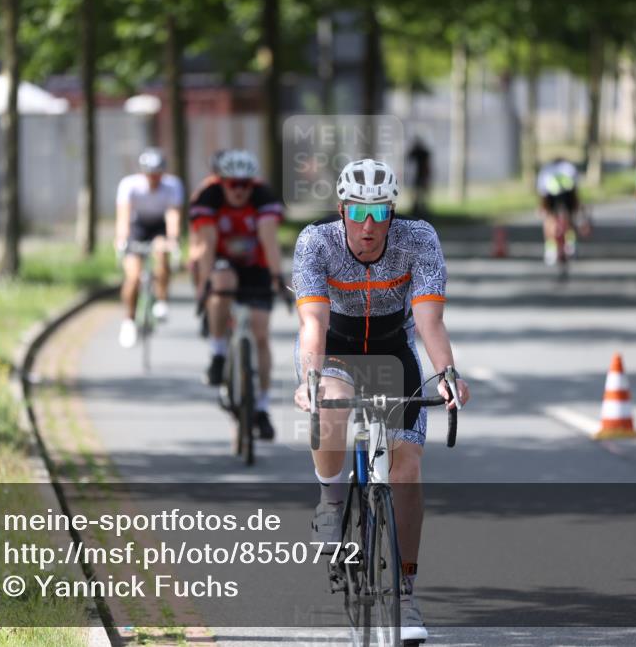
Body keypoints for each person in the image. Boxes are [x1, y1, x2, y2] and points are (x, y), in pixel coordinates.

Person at [291, 158, 471, 641]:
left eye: (378, 213)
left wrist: (447, 373)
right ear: (341, 209)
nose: (367, 226)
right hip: (335, 348)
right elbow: (313, 325)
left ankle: (405, 594)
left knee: (407, 468)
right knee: (334, 403)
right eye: (356, 212)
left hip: (394, 349)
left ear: (393, 210)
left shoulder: (419, 239)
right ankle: (331, 499)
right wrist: (309, 378)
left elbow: (430, 322)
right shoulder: (316, 241)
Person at [190, 149, 286, 440]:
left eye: (245, 184)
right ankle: (218, 352)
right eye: (234, 184)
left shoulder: (263, 196)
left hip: (256, 265)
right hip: (223, 261)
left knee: (260, 333)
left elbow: (269, 241)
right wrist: (204, 286)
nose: (240, 191)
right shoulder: (208, 197)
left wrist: (276, 277)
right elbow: (206, 245)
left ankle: (262, 407)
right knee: (221, 282)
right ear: (222, 182)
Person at [114, 148, 183, 348]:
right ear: (142, 173)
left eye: (158, 175)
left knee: (161, 253)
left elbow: (173, 215)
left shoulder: (172, 185)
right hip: (137, 227)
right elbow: (123, 215)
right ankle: (128, 321)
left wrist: (173, 238)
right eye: (150, 175)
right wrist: (122, 239)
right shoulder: (129, 185)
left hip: (159, 227)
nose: (154, 179)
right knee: (133, 277)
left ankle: (161, 300)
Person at [536, 157, 580, 265]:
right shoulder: (568, 168)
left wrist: (542, 208)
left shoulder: (547, 169)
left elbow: (542, 193)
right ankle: (565, 245)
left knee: (551, 219)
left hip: (561, 195)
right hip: (557, 195)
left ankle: (555, 247)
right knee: (562, 218)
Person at [406, 138, 432, 220]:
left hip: (422, 176)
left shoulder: (423, 153)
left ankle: (422, 209)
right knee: (418, 194)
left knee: (421, 194)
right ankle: (418, 209)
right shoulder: (422, 153)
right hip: (419, 176)